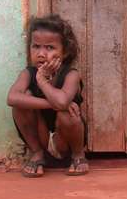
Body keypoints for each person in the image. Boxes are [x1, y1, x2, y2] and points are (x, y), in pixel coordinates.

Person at [7, 14, 88, 177]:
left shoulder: (71, 75)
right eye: (36, 46)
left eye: (50, 48)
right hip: (41, 136)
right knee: (22, 101)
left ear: (64, 52)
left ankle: (78, 155)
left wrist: (42, 82)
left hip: (65, 140)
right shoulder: (28, 73)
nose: (41, 54)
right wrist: (52, 104)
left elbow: (62, 101)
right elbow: (12, 98)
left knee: (67, 112)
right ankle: (37, 153)